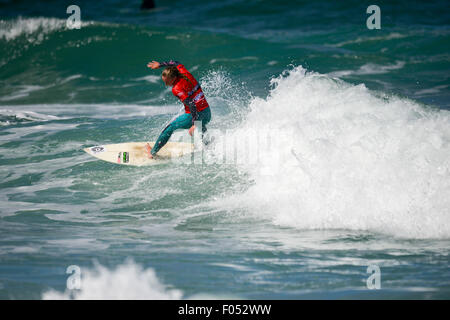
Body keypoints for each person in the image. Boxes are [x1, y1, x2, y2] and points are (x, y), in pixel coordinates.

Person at [145, 60, 212, 158]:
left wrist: (194, 124)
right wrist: (160, 65)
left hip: (194, 115)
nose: (166, 84)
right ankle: (209, 146)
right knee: (202, 125)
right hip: (207, 113)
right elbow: (175, 62)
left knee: (170, 128)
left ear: (173, 78)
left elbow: (191, 104)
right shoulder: (185, 73)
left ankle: (152, 153)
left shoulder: (177, 88)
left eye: (167, 82)